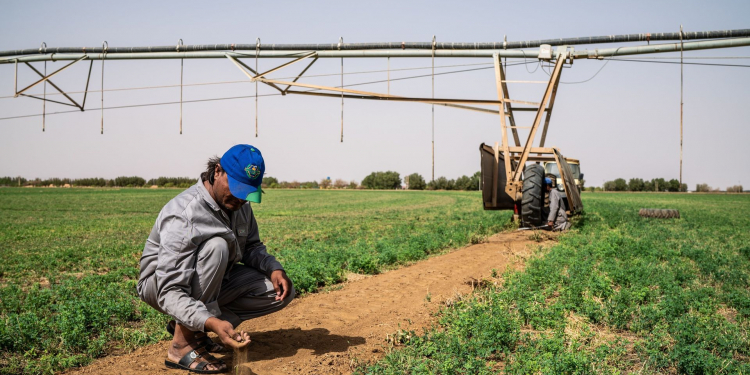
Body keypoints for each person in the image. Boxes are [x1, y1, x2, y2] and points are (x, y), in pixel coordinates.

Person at [137, 144, 295, 373]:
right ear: (217, 171)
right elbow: (169, 290)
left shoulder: (239, 205)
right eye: (237, 188)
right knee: (217, 246)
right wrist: (212, 321)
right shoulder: (184, 213)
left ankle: (193, 328)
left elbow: (252, 247)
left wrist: (274, 268)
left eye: (247, 192)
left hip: (214, 279)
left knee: (278, 292)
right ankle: (181, 346)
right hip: (160, 286)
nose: (241, 198)